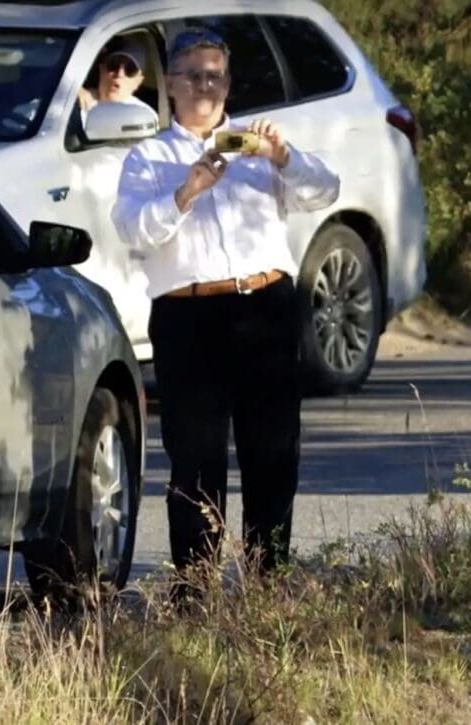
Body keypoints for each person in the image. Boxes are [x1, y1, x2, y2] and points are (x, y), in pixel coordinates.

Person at [110, 28, 340, 593]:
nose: (205, 86)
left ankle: (267, 583)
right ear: (170, 85)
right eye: (193, 76)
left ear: (229, 84)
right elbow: (133, 230)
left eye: (215, 76)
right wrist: (186, 192)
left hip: (265, 305)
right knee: (196, 459)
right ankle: (196, 594)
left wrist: (283, 157)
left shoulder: (255, 150)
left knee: (273, 452)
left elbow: (325, 190)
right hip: (191, 317)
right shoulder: (149, 157)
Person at [79, 37, 153, 126]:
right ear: (101, 69)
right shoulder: (76, 101)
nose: (119, 74)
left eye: (130, 69)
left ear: (138, 81)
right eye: (113, 65)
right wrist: (73, 92)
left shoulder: (143, 117)